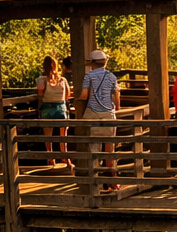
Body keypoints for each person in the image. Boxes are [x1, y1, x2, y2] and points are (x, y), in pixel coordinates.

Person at [79, 49, 121, 192]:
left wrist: (76, 100)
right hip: (108, 114)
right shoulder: (111, 76)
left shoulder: (88, 76)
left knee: (94, 149)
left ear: (92, 63)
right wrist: (118, 107)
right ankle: (112, 181)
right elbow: (116, 94)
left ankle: (94, 183)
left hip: (93, 114)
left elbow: (84, 95)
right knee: (109, 150)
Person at [36, 55, 71, 166]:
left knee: (48, 136)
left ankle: (50, 158)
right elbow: (67, 95)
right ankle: (64, 156)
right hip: (61, 107)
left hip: (47, 108)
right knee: (63, 135)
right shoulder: (62, 80)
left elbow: (40, 93)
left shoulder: (41, 79)